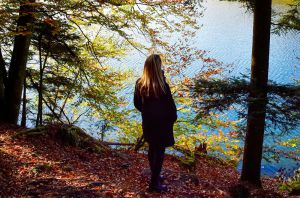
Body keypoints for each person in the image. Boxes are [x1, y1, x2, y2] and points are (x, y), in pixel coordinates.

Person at [134, 54, 177, 193]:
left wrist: (147, 113)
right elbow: (171, 107)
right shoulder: (163, 86)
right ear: (158, 68)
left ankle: (155, 177)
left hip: (148, 124)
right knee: (159, 152)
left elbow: (137, 104)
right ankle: (154, 184)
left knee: (152, 149)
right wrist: (171, 119)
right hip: (162, 125)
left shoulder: (140, 84)